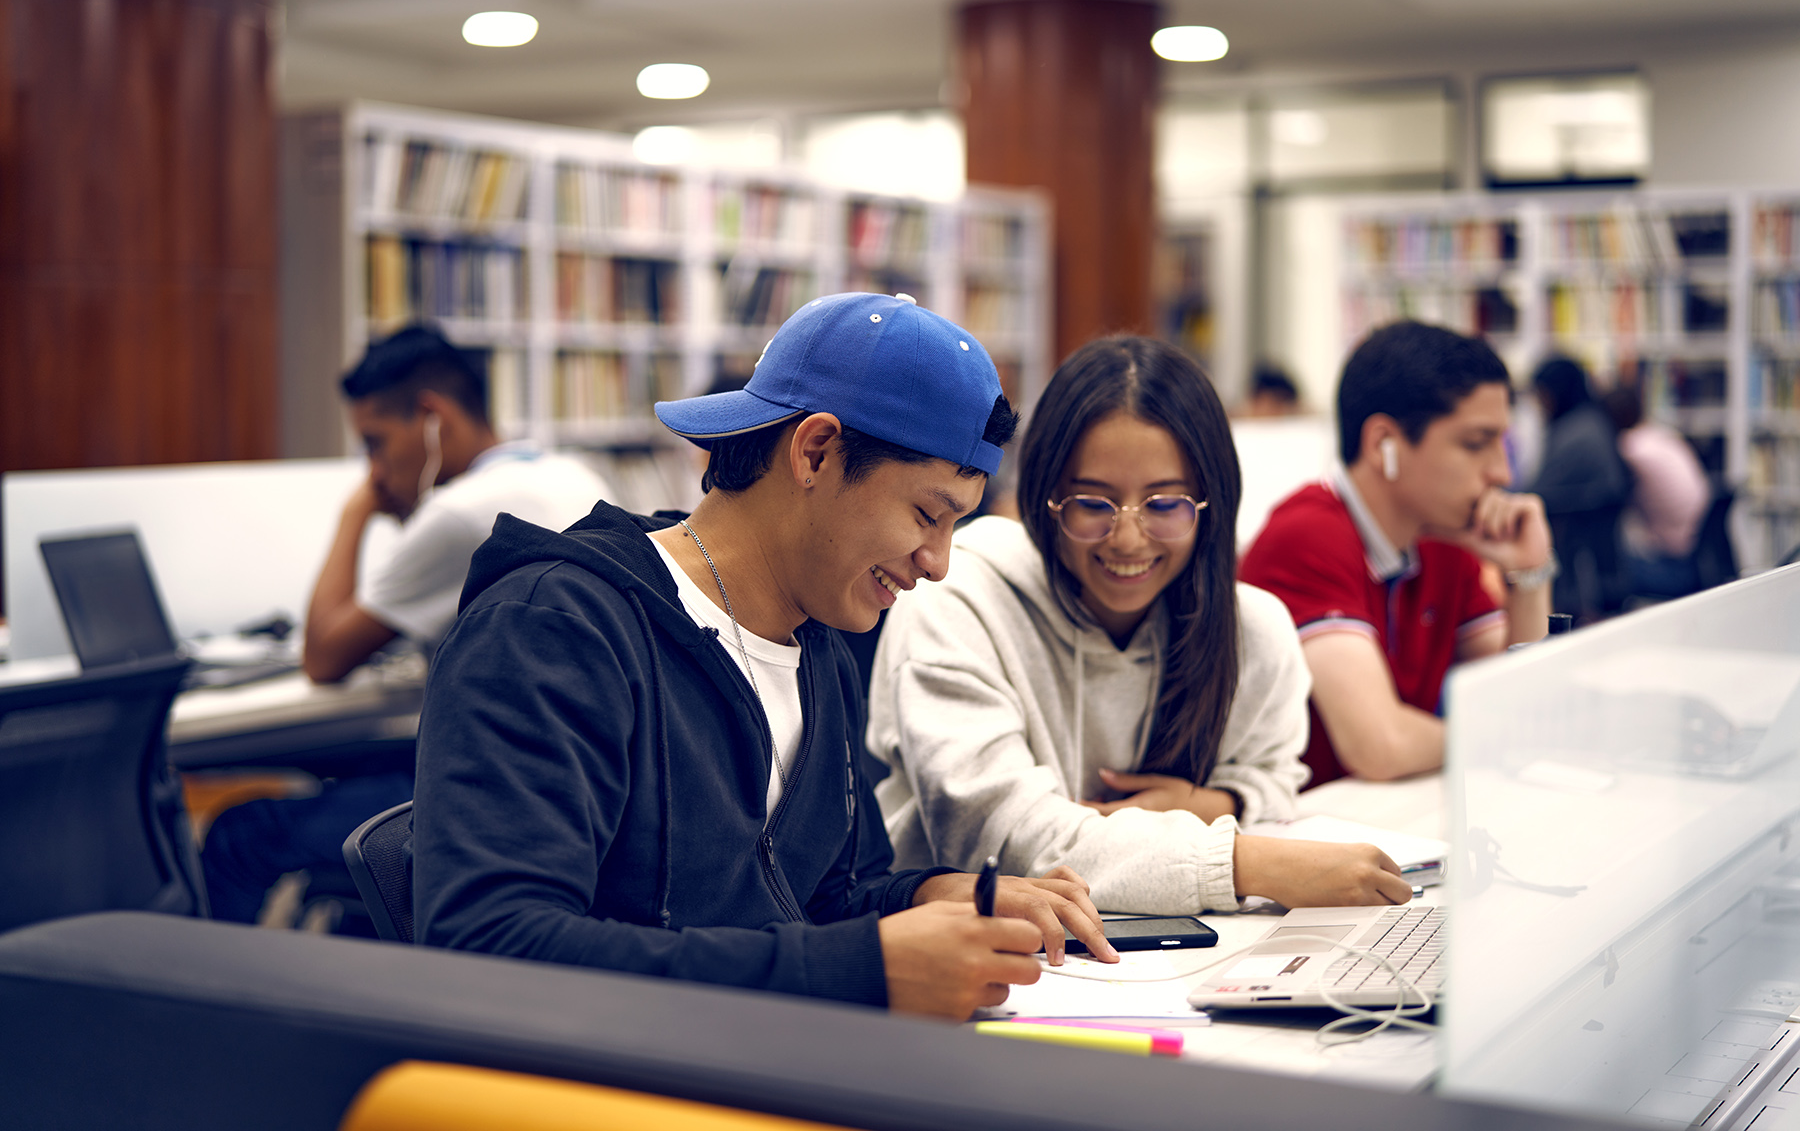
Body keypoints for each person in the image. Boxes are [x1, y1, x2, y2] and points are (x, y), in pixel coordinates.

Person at [412, 293, 1115, 1022]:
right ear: (815, 451)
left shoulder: (820, 644)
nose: (938, 563)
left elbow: (821, 899)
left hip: (773, 1068)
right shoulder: (552, 630)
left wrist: (930, 894)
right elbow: (491, 949)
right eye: (926, 515)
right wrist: (859, 969)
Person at [867, 336, 1412, 914]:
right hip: (982, 956)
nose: (1127, 539)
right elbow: (1000, 837)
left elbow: (1273, 783)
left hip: (1186, 953)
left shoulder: (1252, 626)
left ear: (1211, 503)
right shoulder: (958, 599)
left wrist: (1208, 801)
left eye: (1165, 504)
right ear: (1044, 498)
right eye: (1092, 503)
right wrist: (1241, 861)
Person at [202, 323, 609, 925]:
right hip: (578, 781)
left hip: (490, 793)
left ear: (431, 418)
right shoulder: (568, 473)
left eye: (375, 443)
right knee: (349, 771)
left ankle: (202, 1008)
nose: (375, 468)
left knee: (239, 834)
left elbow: (324, 658)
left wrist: (357, 511)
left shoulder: (459, 512)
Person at [1240, 321, 1554, 785]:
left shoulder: (1441, 538)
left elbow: (1524, 703)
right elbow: (1381, 747)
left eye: (1501, 443)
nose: (1502, 472)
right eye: (1475, 444)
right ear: (1382, 444)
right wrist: (1507, 735)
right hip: (1297, 832)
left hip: (1378, 822)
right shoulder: (1305, 537)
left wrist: (1528, 575)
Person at [1527, 356, 1632, 622]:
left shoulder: (1574, 433)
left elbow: (1537, 492)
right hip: (1603, 571)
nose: (1540, 405)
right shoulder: (1592, 421)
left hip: (1577, 571)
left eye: (1542, 395)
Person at [1602, 385, 1711, 597]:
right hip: (1700, 555)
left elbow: (1615, 495)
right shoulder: (1661, 435)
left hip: (1674, 564)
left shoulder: (1629, 449)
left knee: (1604, 571)